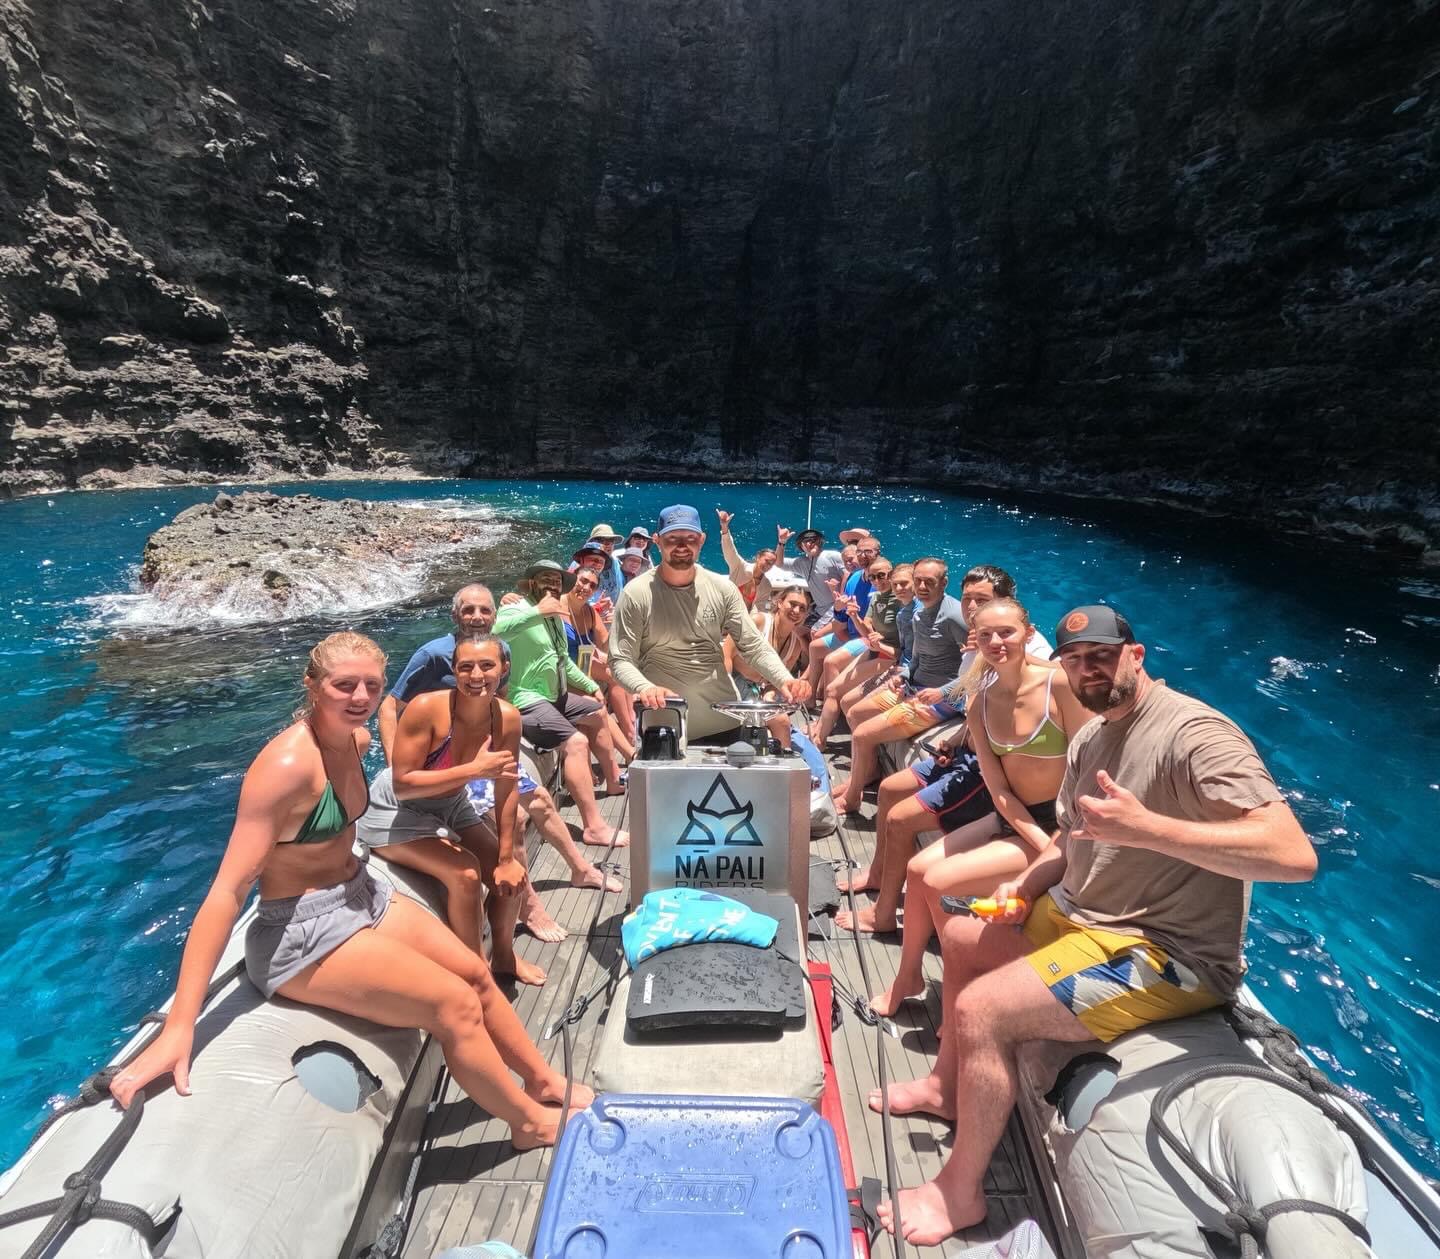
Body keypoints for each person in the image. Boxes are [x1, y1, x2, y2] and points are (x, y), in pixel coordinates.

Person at [871, 605, 1318, 1245]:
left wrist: (1149, 830)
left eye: (1102, 656)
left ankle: (960, 1192)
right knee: (964, 936)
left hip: (1163, 952)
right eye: (1076, 659)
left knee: (984, 1009)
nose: (1087, 670)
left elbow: (1292, 855)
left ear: (1136, 656)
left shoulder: (1195, 733)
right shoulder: (1092, 736)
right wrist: (1021, 889)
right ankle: (947, 1087)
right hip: (1085, 917)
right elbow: (1068, 840)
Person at [109, 632, 592, 1149]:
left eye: (371, 686)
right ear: (312, 685)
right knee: (454, 1004)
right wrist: (181, 1025)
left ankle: (541, 1079)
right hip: (300, 931)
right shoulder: (287, 768)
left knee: (475, 971)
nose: (360, 698)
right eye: (344, 686)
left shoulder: (357, 741)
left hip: (361, 894)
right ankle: (526, 1123)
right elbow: (227, 891)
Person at [855, 599, 1089, 1016]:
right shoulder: (980, 698)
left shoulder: (1061, 685)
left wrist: (1053, 847)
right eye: (986, 635)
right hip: (1016, 820)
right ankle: (908, 977)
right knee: (916, 870)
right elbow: (999, 791)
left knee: (938, 879)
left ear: (1027, 630)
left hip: (1060, 824)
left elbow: (1090, 770)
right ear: (974, 639)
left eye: (1007, 632)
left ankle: (957, 996)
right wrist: (1036, 842)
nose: (997, 642)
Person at [378, 583, 598, 942]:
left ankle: (580, 868)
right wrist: (393, 764)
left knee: (539, 798)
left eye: (485, 610)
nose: (477, 617)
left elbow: (502, 702)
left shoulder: (502, 649)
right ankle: (532, 910)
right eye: (469, 610)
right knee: (517, 820)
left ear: (495, 616)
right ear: (455, 616)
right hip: (446, 759)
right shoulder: (433, 654)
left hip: (485, 750)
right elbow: (390, 707)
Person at [360, 634, 547, 987]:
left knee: (513, 875)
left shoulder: (506, 718)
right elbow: (403, 783)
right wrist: (474, 771)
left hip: (449, 803)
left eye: (487, 665)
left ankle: (504, 956)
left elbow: (505, 788)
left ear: (504, 668)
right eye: (466, 667)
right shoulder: (426, 710)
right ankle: (475, 972)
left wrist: (507, 857)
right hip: (395, 810)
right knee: (465, 875)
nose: (476, 675)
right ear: (453, 671)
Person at [610, 504, 811, 739]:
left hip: (724, 721)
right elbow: (620, 660)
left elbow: (753, 645)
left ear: (702, 540)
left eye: (690, 538)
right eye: (672, 538)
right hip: (664, 724)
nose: (682, 546)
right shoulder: (636, 593)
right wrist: (645, 688)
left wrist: (785, 679)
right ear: (657, 541)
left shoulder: (722, 589)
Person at [493, 561, 628, 846]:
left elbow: (563, 660)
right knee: (577, 743)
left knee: (596, 710)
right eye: (546, 579)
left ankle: (614, 780)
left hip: (556, 694)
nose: (553, 585)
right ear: (531, 583)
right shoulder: (516, 608)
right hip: (526, 700)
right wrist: (535, 612)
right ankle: (594, 827)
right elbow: (495, 633)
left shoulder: (555, 615)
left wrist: (592, 686)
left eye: (556, 581)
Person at [562, 564, 637, 760]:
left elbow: (606, 645)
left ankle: (630, 726)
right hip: (562, 671)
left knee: (618, 671)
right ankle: (630, 745)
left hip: (581, 665)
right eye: (583, 581)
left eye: (592, 586)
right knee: (597, 704)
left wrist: (615, 620)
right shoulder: (557, 608)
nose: (586, 588)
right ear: (572, 580)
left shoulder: (588, 612)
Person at [732, 572, 813, 748]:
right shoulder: (758, 622)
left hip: (759, 692)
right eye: (792, 604)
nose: (796, 611)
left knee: (779, 720)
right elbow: (726, 654)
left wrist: (769, 695)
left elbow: (774, 682)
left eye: (802, 608)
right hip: (733, 683)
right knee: (781, 721)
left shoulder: (795, 646)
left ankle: (783, 759)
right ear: (779, 602)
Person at [775, 526, 845, 629]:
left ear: (820, 542)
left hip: (834, 607)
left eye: (812, 540)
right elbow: (778, 563)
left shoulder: (832, 556)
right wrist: (782, 542)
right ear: (801, 547)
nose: (809, 544)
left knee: (814, 632)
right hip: (819, 609)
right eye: (805, 542)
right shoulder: (801, 563)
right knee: (797, 630)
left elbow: (849, 574)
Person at [715, 508, 778, 610]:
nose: (768, 565)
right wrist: (724, 527)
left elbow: (759, 608)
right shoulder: (739, 566)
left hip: (746, 620)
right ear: (758, 557)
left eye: (771, 564)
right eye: (767, 561)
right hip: (725, 611)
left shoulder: (766, 585)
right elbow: (729, 549)